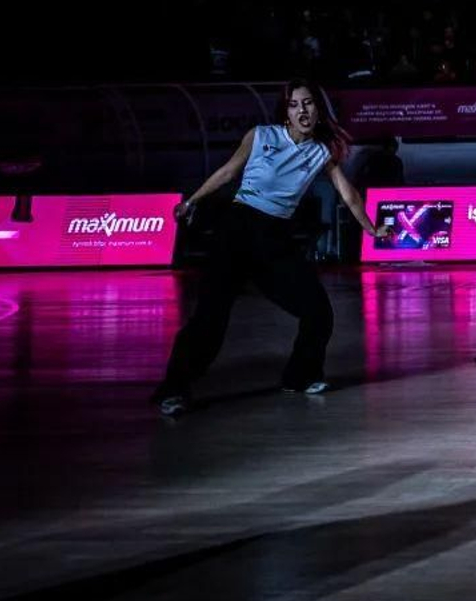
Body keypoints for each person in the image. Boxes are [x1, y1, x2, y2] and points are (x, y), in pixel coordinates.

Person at [151, 80, 391, 416]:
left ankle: (299, 377)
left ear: (317, 110)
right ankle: (173, 390)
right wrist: (192, 202)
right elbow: (228, 171)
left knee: (317, 310)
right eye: (295, 105)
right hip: (236, 230)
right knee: (210, 319)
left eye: (308, 104)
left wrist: (372, 228)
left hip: (275, 238)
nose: (302, 111)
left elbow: (347, 194)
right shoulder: (261, 135)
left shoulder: (322, 152)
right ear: (286, 112)